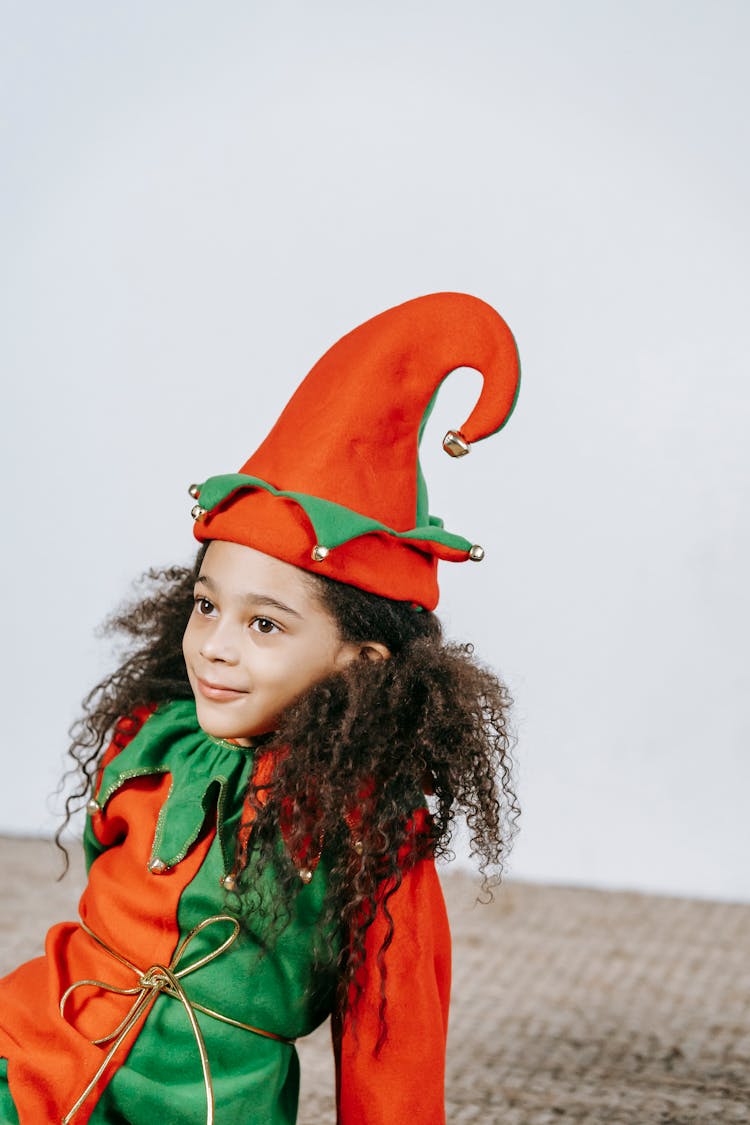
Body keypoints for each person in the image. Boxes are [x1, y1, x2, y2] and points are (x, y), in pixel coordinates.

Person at [0, 291, 521, 1125]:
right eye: (207, 605)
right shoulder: (151, 740)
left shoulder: (370, 831)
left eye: (265, 623)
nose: (214, 645)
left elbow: (393, 1041)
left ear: (362, 660)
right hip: (39, 1047)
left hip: (207, 1101)